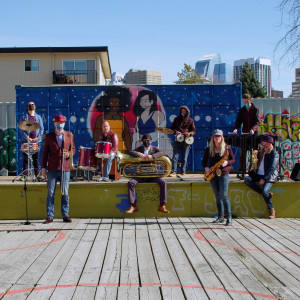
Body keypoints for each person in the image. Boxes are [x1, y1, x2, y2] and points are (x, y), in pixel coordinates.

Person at [41, 115, 75, 224]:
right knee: (50, 192)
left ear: (64, 124)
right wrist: (43, 168)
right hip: (52, 168)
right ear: (54, 124)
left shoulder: (69, 135)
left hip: (65, 168)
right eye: (57, 123)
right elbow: (45, 153)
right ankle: (50, 216)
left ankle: (65, 214)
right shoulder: (49, 136)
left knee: (65, 192)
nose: (59, 125)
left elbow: (73, 149)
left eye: (61, 123)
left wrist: (68, 154)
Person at [125, 134, 170, 214]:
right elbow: (129, 152)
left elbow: (163, 152)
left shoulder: (154, 149)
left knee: (163, 182)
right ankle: (133, 206)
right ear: (142, 142)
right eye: (145, 141)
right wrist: (139, 154)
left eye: (148, 141)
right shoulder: (139, 149)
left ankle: (162, 205)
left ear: (151, 141)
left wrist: (152, 156)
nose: (146, 142)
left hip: (152, 174)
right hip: (141, 174)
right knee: (131, 183)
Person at [202, 129, 235, 226]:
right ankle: (220, 217)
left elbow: (233, 159)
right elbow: (203, 161)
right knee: (217, 196)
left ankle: (229, 217)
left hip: (224, 173)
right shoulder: (209, 149)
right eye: (215, 136)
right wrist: (206, 167)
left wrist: (227, 162)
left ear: (222, 137)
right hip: (213, 174)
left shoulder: (227, 148)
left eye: (219, 136)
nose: (217, 138)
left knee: (224, 195)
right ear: (213, 138)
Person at [244, 135, 278, 219]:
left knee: (265, 190)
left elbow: (272, 168)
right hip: (259, 175)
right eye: (262, 144)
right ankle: (264, 194)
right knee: (247, 179)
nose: (263, 146)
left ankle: (271, 210)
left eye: (265, 145)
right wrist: (254, 156)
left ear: (270, 144)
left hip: (269, 176)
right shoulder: (261, 152)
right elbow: (255, 164)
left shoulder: (274, 153)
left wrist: (264, 179)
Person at [93, 87, 132, 151]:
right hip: (107, 149)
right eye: (112, 102)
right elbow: (96, 136)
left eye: (117, 103)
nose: (114, 105)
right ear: (107, 103)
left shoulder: (122, 119)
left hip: (121, 149)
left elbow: (127, 137)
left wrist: (129, 150)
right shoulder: (101, 118)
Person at [233, 94, 260, 179]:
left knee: (254, 153)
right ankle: (242, 170)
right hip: (245, 134)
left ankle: (252, 170)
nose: (245, 103)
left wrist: (253, 129)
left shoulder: (255, 109)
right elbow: (238, 121)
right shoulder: (242, 110)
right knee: (243, 152)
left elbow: (257, 122)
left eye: (247, 101)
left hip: (254, 134)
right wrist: (236, 128)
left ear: (250, 100)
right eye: (244, 102)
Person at [169, 105, 196, 176]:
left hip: (186, 140)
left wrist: (189, 134)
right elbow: (171, 128)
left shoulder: (190, 120)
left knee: (184, 157)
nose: (183, 113)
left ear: (187, 112)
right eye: (182, 111)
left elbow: (193, 130)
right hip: (178, 139)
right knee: (175, 156)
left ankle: (183, 171)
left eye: (184, 111)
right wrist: (176, 132)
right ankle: (173, 171)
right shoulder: (176, 119)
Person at [20, 101, 44, 178]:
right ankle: (25, 175)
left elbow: (42, 128)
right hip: (26, 140)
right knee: (26, 158)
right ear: (27, 107)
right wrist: (27, 137)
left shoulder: (38, 117)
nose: (31, 106)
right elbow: (21, 129)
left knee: (36, 158)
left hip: (36, 141)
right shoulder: (24, 117)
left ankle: (37, 175)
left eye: (33, 104)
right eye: (30, 105)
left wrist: (37, 138)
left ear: (35, 106)